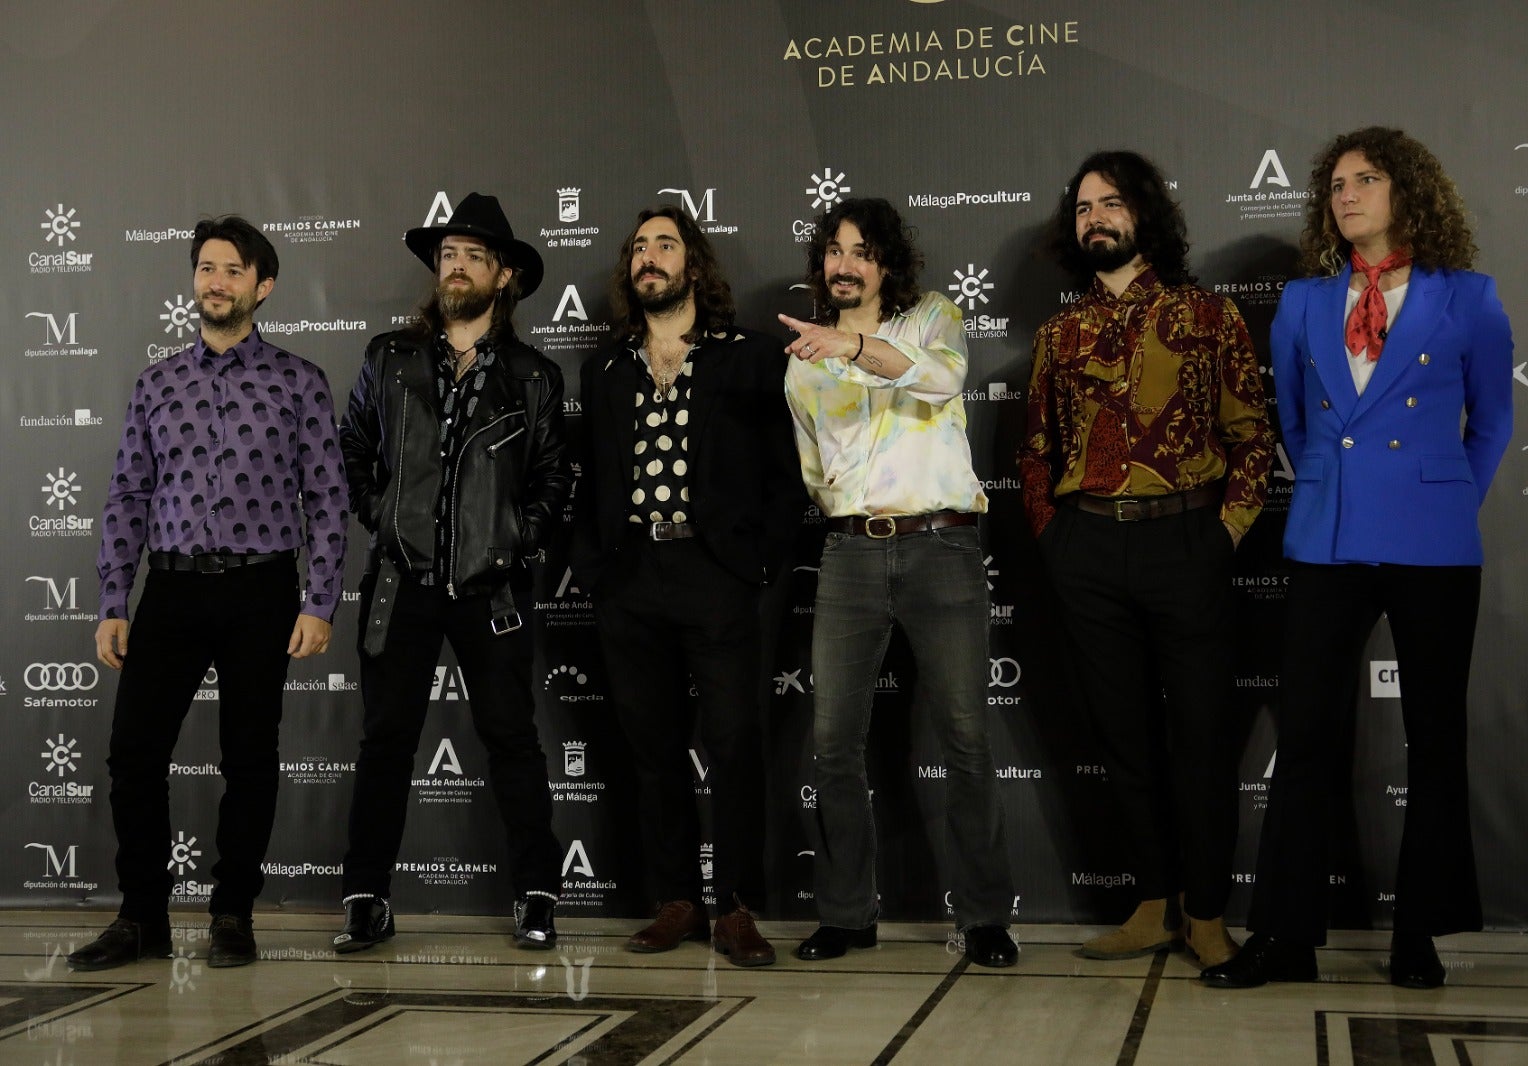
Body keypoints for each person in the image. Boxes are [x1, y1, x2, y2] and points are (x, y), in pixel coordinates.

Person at [1201, 128, 1514, 990]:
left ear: (1408, 190)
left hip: (1433, 539)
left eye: (1366, 179)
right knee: (1304, 739)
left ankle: (1421, 931)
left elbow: (1492, 422)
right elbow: (1295, 425)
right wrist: (1337, 484)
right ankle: (1285, 938)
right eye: (1336, 183)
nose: (1347, 194)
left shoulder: (1471, 297)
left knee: (1436, 740)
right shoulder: (1303, 303)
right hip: (1329, 534)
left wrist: (1445, 493)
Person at [1017, 152, 1273, 970]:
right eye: (1083, 206)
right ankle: (1153, 902)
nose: (1095, 217)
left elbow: (1252, 436)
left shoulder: (1209, 314)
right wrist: (1056, 538)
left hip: (1186, 542)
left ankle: (1205, 914)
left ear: (1145, 215)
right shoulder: (1059, 335)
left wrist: (1225, 532)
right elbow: (1034, 451)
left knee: (1202, 740)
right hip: (1087, 548)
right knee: (1123, 742)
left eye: (1111, 203)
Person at [71, 216, 348, 971]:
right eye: (206, 268)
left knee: (250, 758)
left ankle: (233, 915)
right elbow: (128, 494)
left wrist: (319, 599)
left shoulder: (300, 381)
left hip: (263, 591)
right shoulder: (158, 383)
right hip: (172, 590)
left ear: (263, 286)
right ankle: (141, 917)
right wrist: (112, 600)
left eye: (232, 270)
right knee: (133, 753)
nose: (216, 282)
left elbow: (327, 499)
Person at [783, 197, 1018, 968]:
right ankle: (848, 914)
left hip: (941, 548)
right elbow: (815, 470)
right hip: (849, 556)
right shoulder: (801, 363)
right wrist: (848, 517)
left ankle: (985, 916)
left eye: (861, 252)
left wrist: (850, 347)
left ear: (886, 263)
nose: (844, 265)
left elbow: (940, 381)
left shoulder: (933, 319)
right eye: (834, 252)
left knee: (968, 740)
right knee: (831, 744)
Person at [571, 206, 806, 967]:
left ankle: (735, 907)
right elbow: (593, 478)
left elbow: (785, 474)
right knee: (652, 748)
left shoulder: (749, 357)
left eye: (665, 244)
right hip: (631, 576)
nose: (649, 257)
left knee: (735, 743)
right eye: (638, 247)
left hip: (718, 575)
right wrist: (597, 566)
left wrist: (760, 566)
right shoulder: (604, 366)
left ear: (694, 265)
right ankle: (675, 899)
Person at [335, 193, 569, 953]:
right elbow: (352, 455)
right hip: (400, 584)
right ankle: (365, 898)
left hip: (490, 588)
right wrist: (388, 518)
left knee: (514, 741)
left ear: (503, 276)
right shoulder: (388, 359)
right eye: (447, 256)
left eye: (472, 256)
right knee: (385, 743)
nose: (455, 267)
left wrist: (511, 537)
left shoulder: (533, 376)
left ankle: (537, 896)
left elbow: (553, 480)